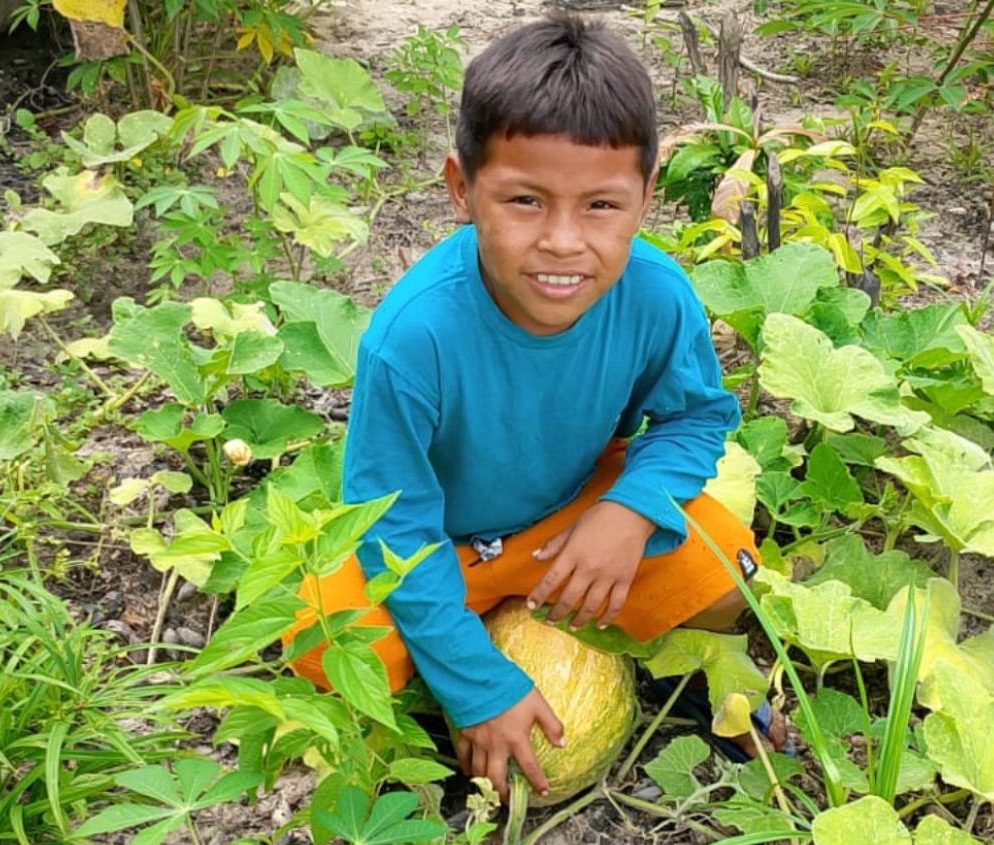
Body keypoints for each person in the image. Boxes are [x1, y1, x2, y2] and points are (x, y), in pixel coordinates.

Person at [284, 13, 764, 802]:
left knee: (723, 577)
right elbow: (392, 522)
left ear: (646, 196)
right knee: (323, 644)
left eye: (602, 206)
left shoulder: (656, 295)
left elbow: (694, 418)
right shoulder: (413, 337)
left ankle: (593, 633)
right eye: (525, 201)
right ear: (461, 189)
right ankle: (481, 641)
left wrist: (631, 511)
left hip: (572, 519)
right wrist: (477, 686)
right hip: (438, 545)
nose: (564, 242)